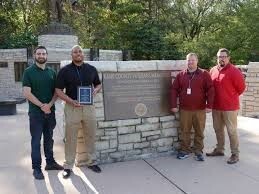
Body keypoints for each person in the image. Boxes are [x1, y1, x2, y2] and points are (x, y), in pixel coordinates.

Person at [56, 45, 102, 178]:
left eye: (80, 51)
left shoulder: (91, 69)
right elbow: (58, 90)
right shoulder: (64, 71)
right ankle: (68, 166)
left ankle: (91, 161)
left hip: (89, 108)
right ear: (72, 55)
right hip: (72, 107)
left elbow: (98, 84)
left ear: (83, 54)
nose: (78, 53)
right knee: (70, 137)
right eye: (75, 52)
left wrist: (95, 90)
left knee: (90, 134)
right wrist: (70, 101)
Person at [22, 46, 63, 180]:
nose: (41, 55)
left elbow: (56, 92)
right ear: (35, 55)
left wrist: (49, 105)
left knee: (49, 139)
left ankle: (50, 163)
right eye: (39, 53)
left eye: (43, 53)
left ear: (47, 55)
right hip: (35, 114)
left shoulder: (52, 72)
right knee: (35, 141)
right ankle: (36, 168)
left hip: (50, 113)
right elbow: (27, 93)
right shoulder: (28, 72)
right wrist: (42, 106)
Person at [171, 53, 214, 161]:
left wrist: (209, 105)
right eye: (188, 60)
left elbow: (211, 90)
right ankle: (185, 150)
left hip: (200, 109)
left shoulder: (204, 74)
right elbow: (173, 90)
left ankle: (198, 151)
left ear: (197, 61)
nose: (190, 62)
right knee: (185, 131)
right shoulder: (181, 75)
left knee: (199, 131)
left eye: (192, 60)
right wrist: (173, 105)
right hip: (185, 109)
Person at [206, 48, 246, 164]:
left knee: (231, 131)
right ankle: (219, 149)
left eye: (223, 56)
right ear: (217, 58)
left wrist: (229, 97)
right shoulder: (213, 70)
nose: (221, 59)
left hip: (230, 108)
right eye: (219, 56)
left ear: (228, 58)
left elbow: (241, 88)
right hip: (216, 107)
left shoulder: (234, 71)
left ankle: (235, 154)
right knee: (218, 129)